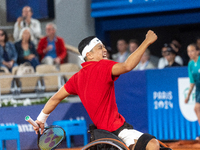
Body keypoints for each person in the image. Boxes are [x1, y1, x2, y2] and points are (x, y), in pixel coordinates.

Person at [33, 30, 160, 150]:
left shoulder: (76, 78)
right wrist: (146, 42)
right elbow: (127, 66)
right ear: (89, 55)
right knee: (152, 145)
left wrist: (41, 119)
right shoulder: (103, 66)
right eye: (100, 47)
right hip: (115, 131)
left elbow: (55, 98)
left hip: (103, 134)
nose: (104, 50)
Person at [184, 43, 200, 139]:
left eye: (192, 50)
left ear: (197, 51)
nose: (190, 53)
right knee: (196, 109)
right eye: (188, 51)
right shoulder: (190, 64)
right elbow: (192, 82)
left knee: (197, 108)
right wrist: (188, 96)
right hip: (198, 89)